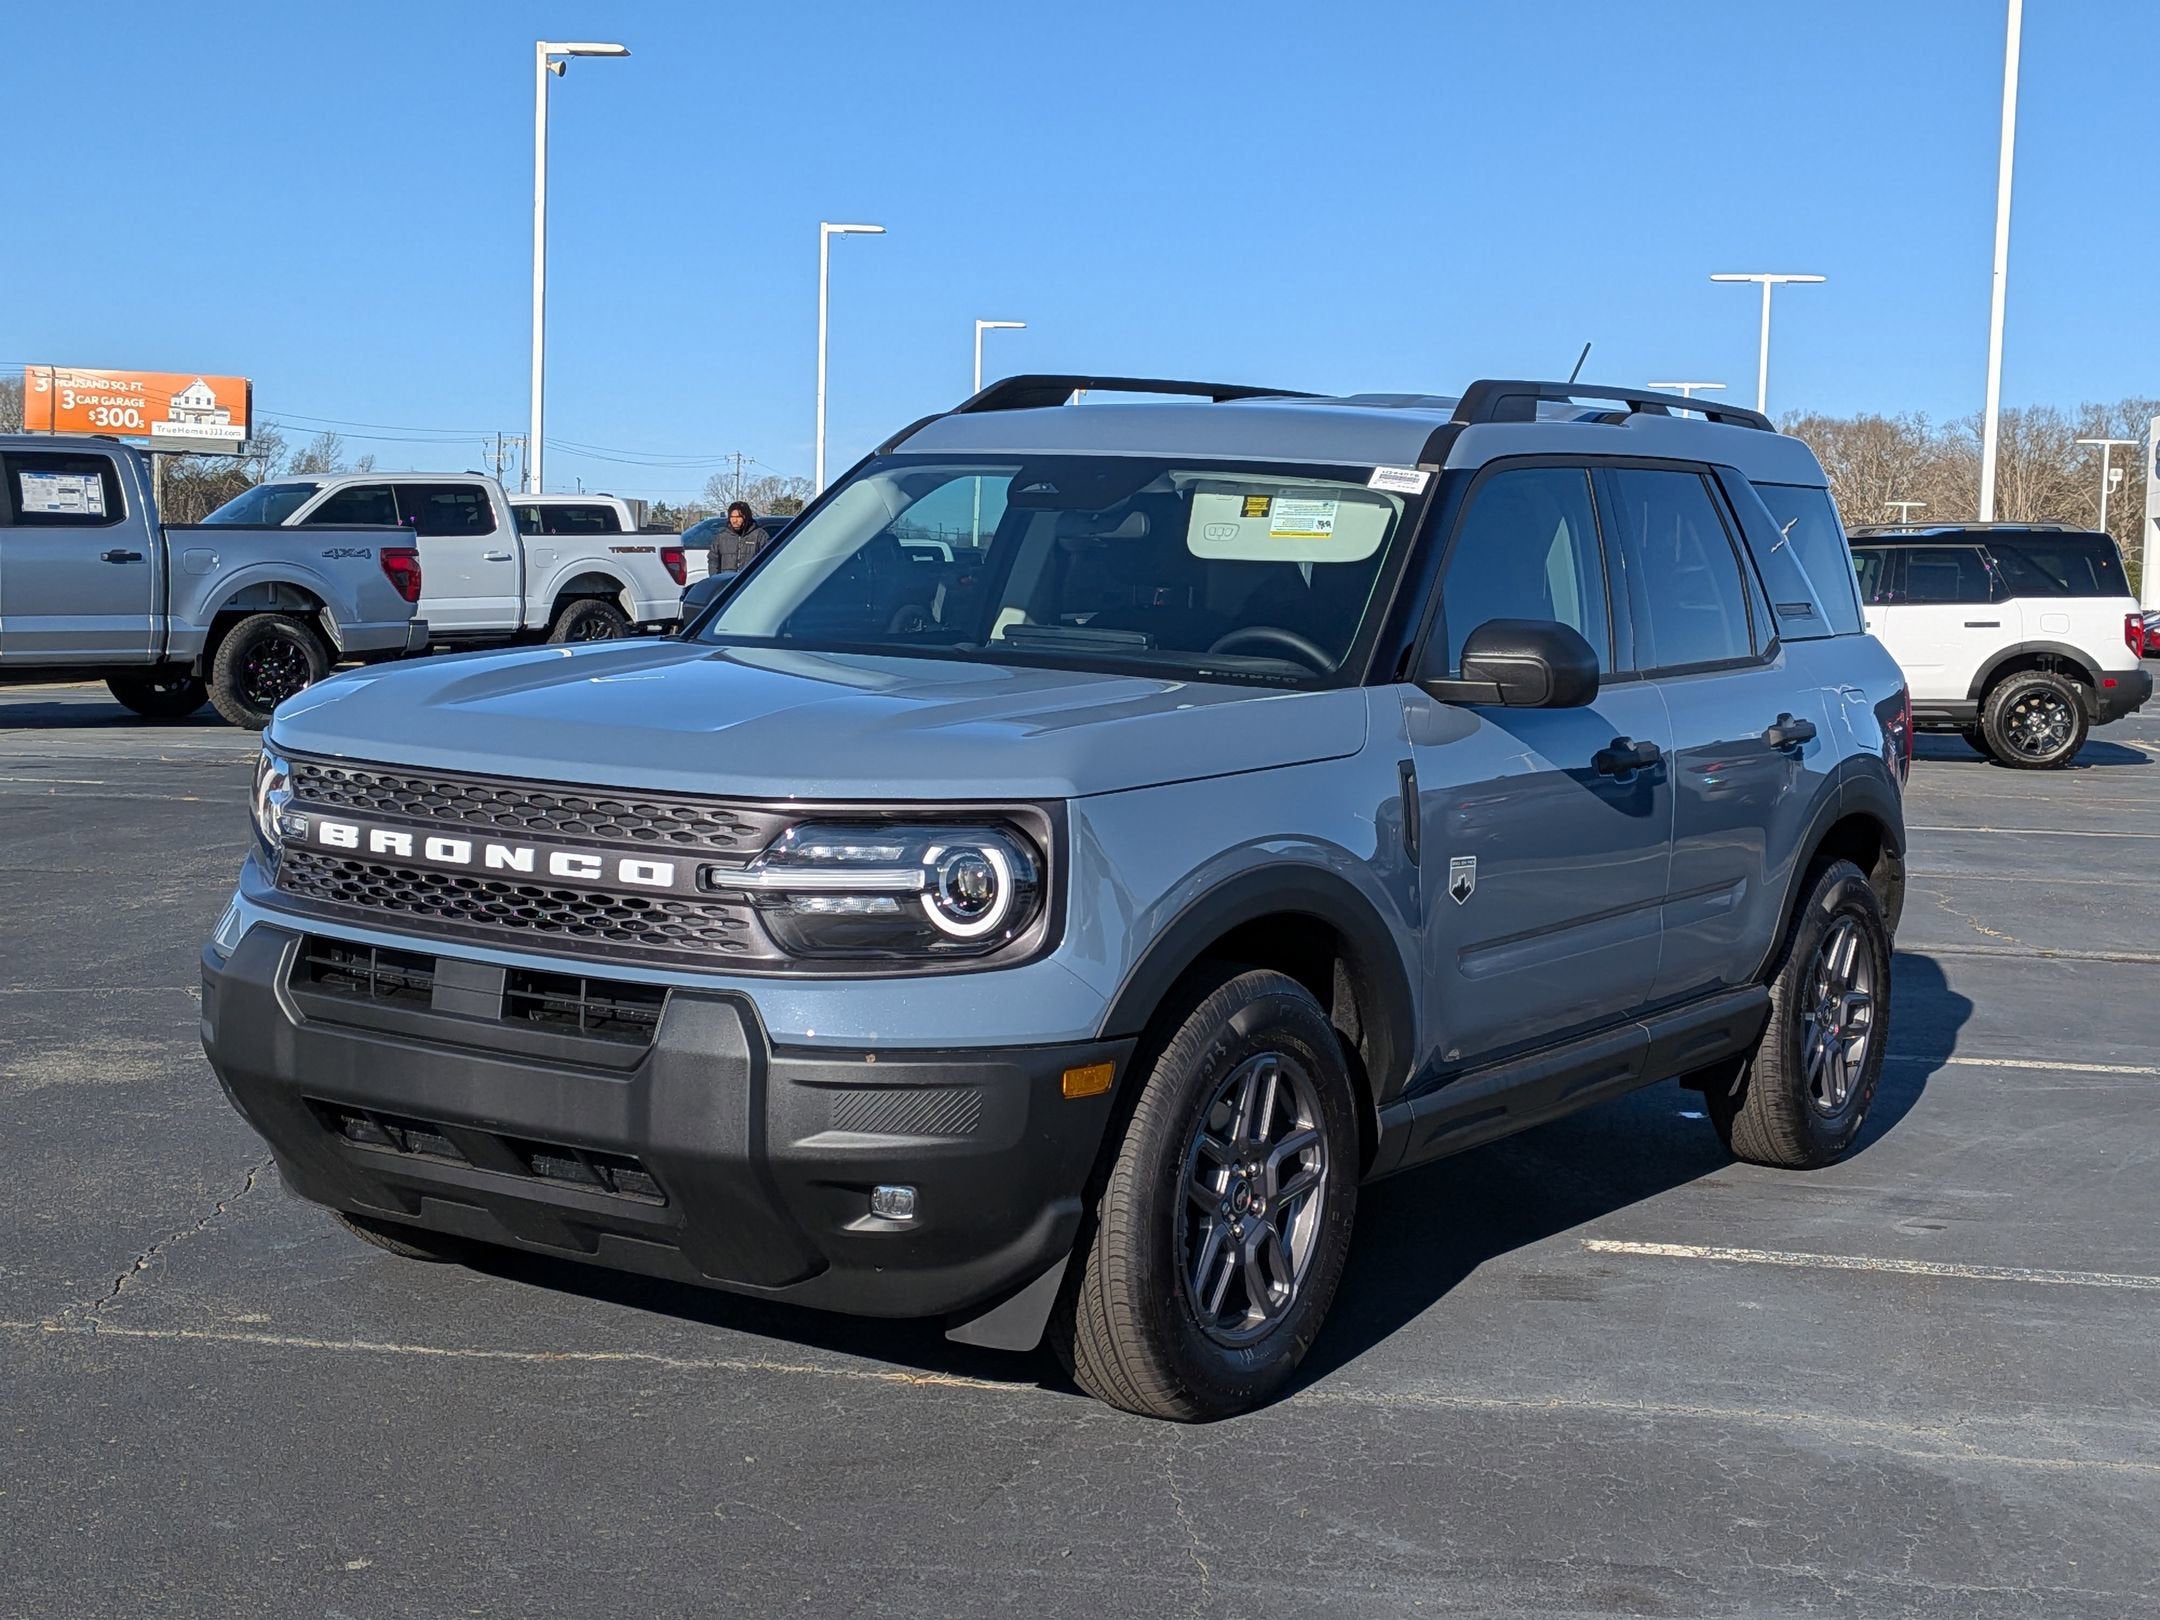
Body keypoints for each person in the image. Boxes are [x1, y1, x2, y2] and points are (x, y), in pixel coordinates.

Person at [708, 502, 771, 577]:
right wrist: (716, 579)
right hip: (727, 583)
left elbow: (768, 560)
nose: (734, 521)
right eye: (732, 517)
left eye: (738, 517)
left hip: (749, 582)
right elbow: (713, 560)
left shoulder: (760, 535)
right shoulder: (721, 537)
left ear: (746, 517)